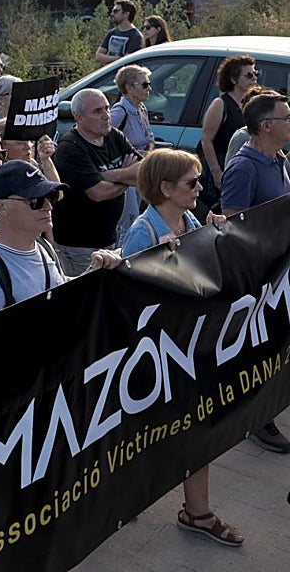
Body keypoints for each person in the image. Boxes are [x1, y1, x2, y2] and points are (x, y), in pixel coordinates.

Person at [119, 149, 242, 546]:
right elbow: (127, 295)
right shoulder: (143, 231)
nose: (200, 188)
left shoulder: (190, 218)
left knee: (197, 428)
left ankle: (198, 512)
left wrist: (216, 235)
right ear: (166, 188)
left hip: (189, 346)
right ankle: (122, 495)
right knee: (146, 431)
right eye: (192, 183)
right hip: (155, 353)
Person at [0, 161, 122, 362]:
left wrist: (94, 272)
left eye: (50, 196)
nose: (48, 206)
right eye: (36, 200)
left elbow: (58, 293)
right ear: (1, 207)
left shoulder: (43, 247)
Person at [219, 91, 290, 453]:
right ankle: (258, 419)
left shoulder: (277, 159)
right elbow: (232, 224)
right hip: (258, 278)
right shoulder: (244, 167)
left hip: (280, 273)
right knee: (260, 349)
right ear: (266, 125)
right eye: (286, 117)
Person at [51, 89, 140, 275]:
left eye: (107, 108)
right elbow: (98, 193)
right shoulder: (70, 148)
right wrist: (126, 177)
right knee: (87, 296)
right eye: (97, 111)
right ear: (79, 118)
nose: (106, 115)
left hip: (109, 238)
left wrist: (108, 175)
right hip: (79, 245)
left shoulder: (114, 136)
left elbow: (143, 172)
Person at [200, 55, 260, 207]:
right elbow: (206, 139)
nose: (254, 78)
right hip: (223, 164)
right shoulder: (221, 104)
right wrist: (216, 173)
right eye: (248, 75)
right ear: (234, 80)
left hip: (247, 166)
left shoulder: (254, 102)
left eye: (256, 74)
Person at [111, 64, 157, 243]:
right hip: (127, 173)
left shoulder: (142, 109)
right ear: (129, 87)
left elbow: (149, 137)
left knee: (137, 214)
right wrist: (124, 158)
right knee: (128, 220)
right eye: (144, 85)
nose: (149, 89)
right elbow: (104, 138)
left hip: (140, 170)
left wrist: (148, 154)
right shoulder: (120, 112)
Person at [95, 0, 143, 65]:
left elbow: (127, 61)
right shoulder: (111, 33)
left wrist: (106, 59)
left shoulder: (136, 36)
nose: (112, 14)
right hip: (110, 74)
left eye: (115, 11)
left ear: (126, 14)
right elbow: (98, 56)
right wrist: (119, 58)